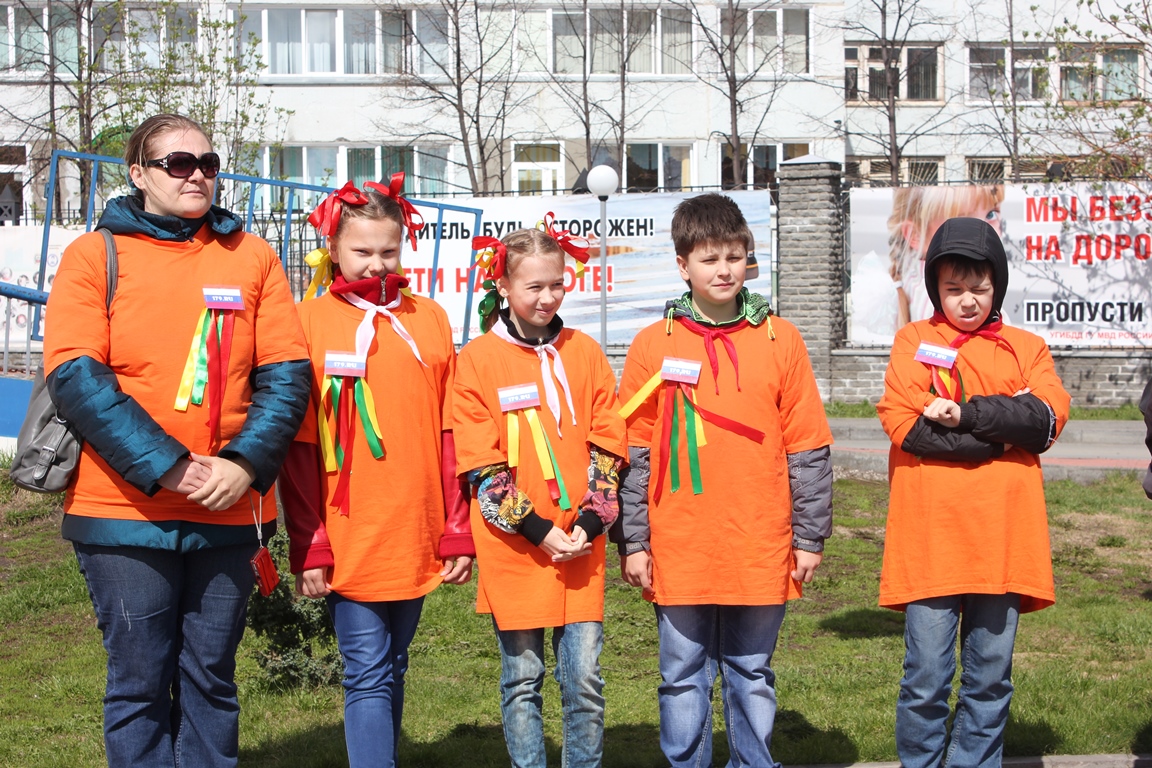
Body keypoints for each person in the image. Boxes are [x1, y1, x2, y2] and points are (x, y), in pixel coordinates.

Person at [42, 113, 311, 767]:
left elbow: (287, 375)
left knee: (211, 680)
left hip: (229, 509)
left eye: (208, 164)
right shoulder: (94, 256)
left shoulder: (253, 256)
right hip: (123, 514)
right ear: (138, 174)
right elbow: (76, 376)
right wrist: (166, 465)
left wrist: (245, 465)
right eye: (178, 164)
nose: (197, 175)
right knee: (138, 682)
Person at [613, 193, 834, 768]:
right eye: (709, 259)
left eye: (734, 257)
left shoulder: (781, 339)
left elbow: (807, 446)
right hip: (678, 541)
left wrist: (809, 536)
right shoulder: (652, 344)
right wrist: (634, 540)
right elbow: (634, 452)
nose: (723, 270)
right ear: (682, 265)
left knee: (752, 671)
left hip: (760, 539)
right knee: (682, 673)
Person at [278, 177, 474, 768]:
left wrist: (457, 529)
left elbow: (452, 434)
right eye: (362, 251)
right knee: (366, 669)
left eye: (388, 250)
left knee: (394, 663)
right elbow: (299, 448)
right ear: (333, 248)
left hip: (415, 527)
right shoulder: (306, 322)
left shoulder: (430, 318)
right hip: (348, 531)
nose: (376, 263)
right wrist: (310, 542)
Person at [876, 216, 1071, 768]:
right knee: (926, 679)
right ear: (935, 288)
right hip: (931, 539)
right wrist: (1000, 437)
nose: (967, 301)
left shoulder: (1027, 347)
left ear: (997, 285)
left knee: (989, 679)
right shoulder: (914, 341)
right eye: (953, 288)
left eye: (979, 288)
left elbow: (1046, 420)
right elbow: (906, 426)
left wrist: (964, 415)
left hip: (1005, 540)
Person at [451, 223, 627, 768]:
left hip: (580, 547)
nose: (548, 297)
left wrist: (589, 524)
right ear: (503, 285)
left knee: (585, 681)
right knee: (522, 679)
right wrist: (538, 530)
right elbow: (481, 466)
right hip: (516, 547)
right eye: (534, 287)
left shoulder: (585, 352)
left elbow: (609, 445)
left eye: (557, 284)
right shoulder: (477, 360)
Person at [888, 185, 1004, 327]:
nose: (984, 232)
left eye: (991, 215)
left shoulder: (921, 285)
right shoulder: (936, 303)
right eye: (962, 222)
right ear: (915, 235)